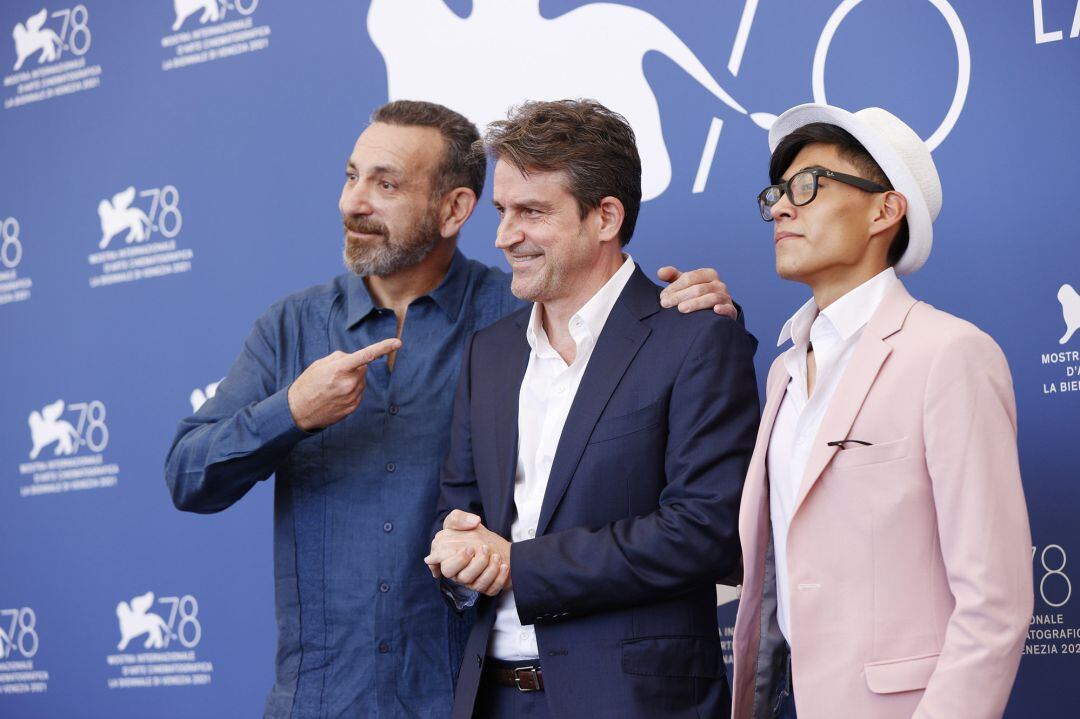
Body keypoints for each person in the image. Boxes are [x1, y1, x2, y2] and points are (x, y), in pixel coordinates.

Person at [165, 99, 737, 718]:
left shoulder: (512, 319)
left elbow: (697, 515)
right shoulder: (292, 328)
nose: (353, 202)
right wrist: (291, 412)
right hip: (325, 697)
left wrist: (688, 312)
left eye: (385, 183)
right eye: (351, 176)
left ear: (453, 208)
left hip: (458, 696)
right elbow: (189, 475)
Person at [426, 99, 760, 719]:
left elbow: (704, 533)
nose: (503, 236)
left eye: (532, 212)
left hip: (633, 702)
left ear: (605, 216)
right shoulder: (489, 354)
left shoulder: (695, 337)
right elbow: (461, 510)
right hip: (489, 700)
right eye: (502, 212)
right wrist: (458, 551)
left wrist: (519, 565)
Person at [730, 104, 1033, 719]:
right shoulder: (785, 369)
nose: (782, 208)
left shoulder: (950, 354)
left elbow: (994, 603)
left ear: (884, 209)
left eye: (808, 186)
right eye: (777, 194)